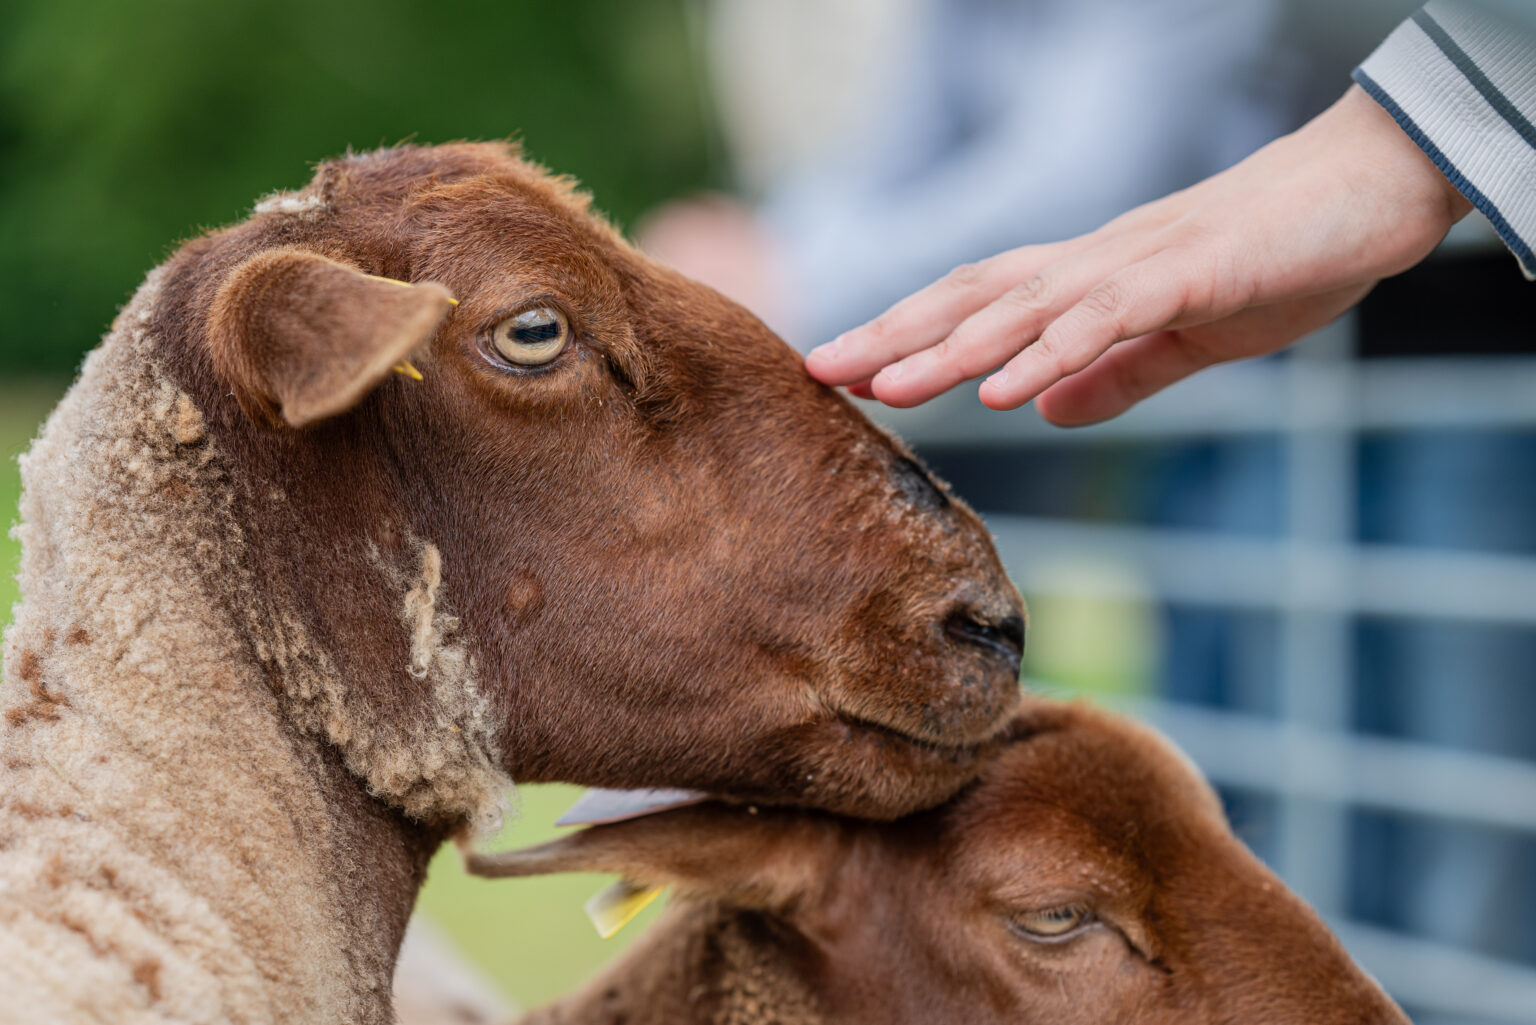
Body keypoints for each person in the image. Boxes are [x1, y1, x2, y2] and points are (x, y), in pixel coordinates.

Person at [805, 0, 1535, 420]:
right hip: (1218, 348)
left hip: (1440, 323)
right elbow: (898, 135)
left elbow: (1094, 168)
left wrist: (1425, 129)